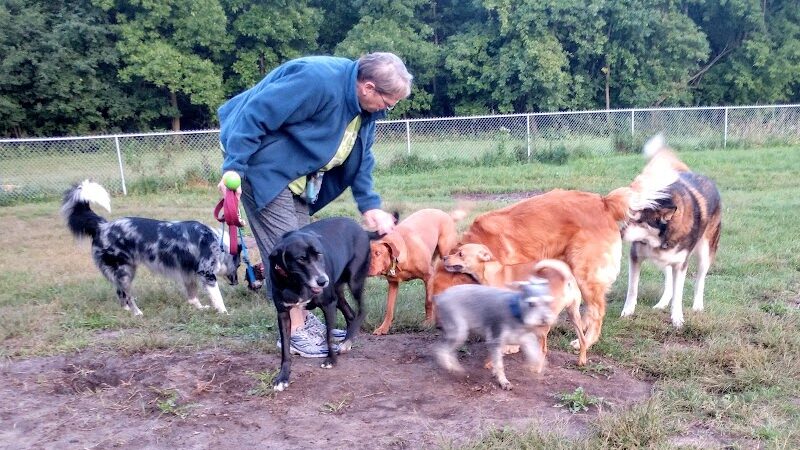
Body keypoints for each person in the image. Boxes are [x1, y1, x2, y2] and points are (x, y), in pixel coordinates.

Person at [217, 52, 412, 357]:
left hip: (296, 177)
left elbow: (361, 158)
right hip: (263, 168)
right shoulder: (318, 80)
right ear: (369, 87)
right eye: (389, 101)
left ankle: (303, 321)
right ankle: (293, 332)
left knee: (304, 252)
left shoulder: (365, 112)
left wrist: (370, 205)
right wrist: (234, 167)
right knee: (286, 253)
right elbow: (256, 113)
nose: (391, 107)